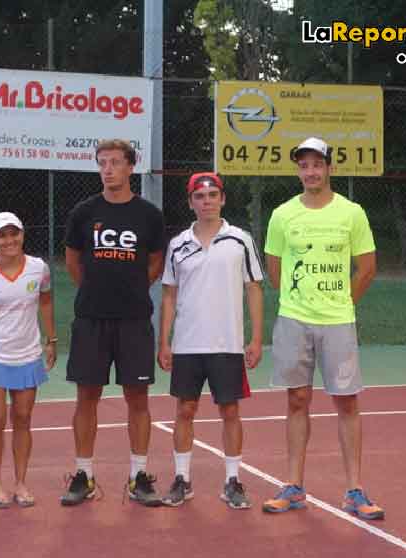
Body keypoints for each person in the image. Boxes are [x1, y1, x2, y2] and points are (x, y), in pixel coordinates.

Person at [261, 137, 384, 520]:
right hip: (294, 320)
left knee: (346, 401)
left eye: (317, 164)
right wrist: (300, 302)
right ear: (298, 170)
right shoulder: (282, 215)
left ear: (329, 167)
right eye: (304, 165)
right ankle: (294, 486)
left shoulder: (352, 213)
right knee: (296, 400)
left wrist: (341, 302)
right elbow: (275, 269)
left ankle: (354, 490)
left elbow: (366, 267)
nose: (310, 172)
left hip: (338, 323)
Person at [60, 138, 166, 507]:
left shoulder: (149, 215)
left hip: (135, 320)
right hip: (91, 319)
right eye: (102, 162)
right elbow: (73, 262)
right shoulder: (83, 212)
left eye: (115, 162)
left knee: (137, 398)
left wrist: (133, 288)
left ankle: (138, 476)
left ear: (130, 167)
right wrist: (96, 289)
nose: (108, 169)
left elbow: (155, 263)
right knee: (86, 397)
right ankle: (84, 475)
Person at [157, 172, 264, 509]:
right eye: (200, 197)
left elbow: (253, 288)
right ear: (190, 202)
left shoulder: (240, 240)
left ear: (223, 199)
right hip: (188, 344)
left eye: (212, 195)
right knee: (184, 410)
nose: (207, 202)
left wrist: (257, 338)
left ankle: (233, 481)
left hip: (228, 343)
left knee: (229, 411)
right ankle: (182, 480)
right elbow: (169, 296)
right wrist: (165, 341)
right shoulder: (177, 244)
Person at [0, 212, 57, 508]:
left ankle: (21, 483)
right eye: (1, 235)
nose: (9, 240)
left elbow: (45, 301)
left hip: (28, 354)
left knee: (23, 420)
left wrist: (51, 341)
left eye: (13, 233)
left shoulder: (38, 268)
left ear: (22, 235)